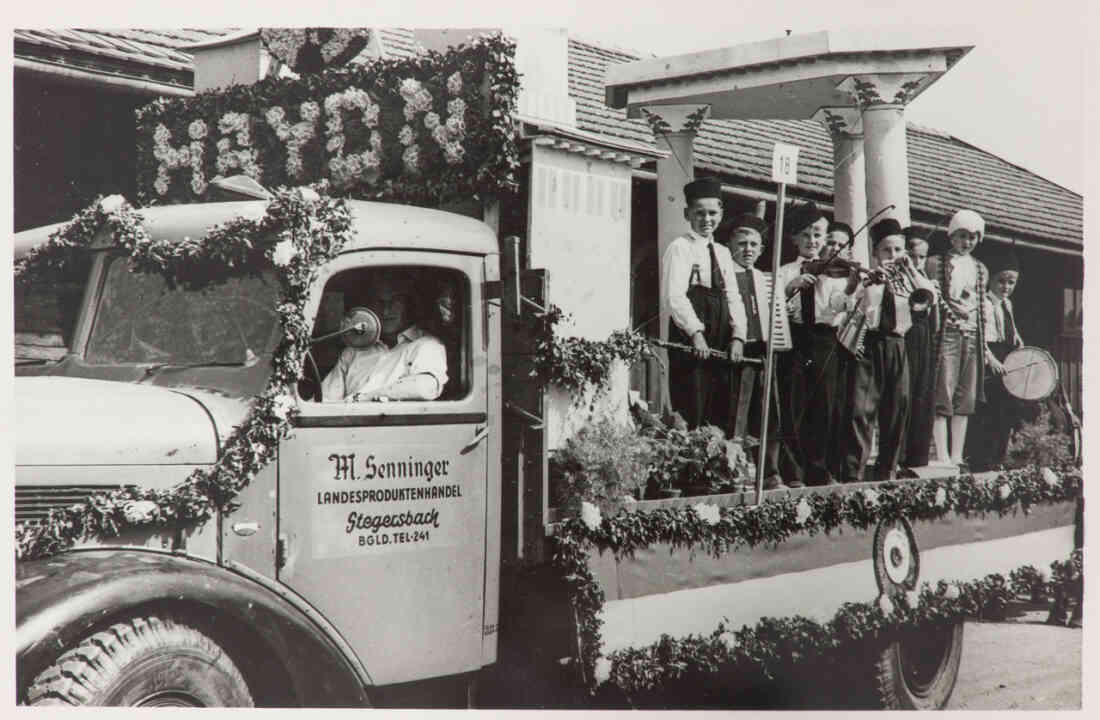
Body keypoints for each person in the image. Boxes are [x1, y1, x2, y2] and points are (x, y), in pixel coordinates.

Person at [842, 219, 937, 483]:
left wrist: (909, 271)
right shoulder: (866, 278)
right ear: (875, 253)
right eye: (886, 250)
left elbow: (929, 297)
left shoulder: (913, 280)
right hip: (870, 345)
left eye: (897, 250)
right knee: (861, 412)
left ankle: (888, 472)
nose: (892, 256)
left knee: (897, 411)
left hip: (897, 345)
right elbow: (847, 306)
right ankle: (854, 476)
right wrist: (869, 283)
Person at [662, 177, 748, 430]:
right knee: (693, 405)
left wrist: (738, 337)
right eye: (700, 213)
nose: (706, 219)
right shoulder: (680, 248)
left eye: (712, 213)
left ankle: (717, 465)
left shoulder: (722, 252)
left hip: (722, 334)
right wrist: (696, 334)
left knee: (720, 407)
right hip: (691, 334)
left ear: (721, 213)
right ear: (687, 214)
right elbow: (675, 297)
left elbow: (733, 296)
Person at [775, 202, 848, 486]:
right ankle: (794, 471)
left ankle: (821, 469)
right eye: (806, 235)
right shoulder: (784, 271)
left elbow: (839, 306)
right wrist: (790, 287)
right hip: (794, 339)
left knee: (824, 404)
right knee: (795, 404)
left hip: (823, 339)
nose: (812, 241)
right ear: (795, 238)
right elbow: (774, 304)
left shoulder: (835, 272)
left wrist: (849, 289)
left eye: (818, 235)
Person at [722, 212, 793, 489]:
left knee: (768, 412)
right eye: (741, 244)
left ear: (761, 249)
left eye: (753, 244)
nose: (747, 250)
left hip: (764, 351)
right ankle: (733, 473)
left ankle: (770, 473)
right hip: (738, 351)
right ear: (730, 246)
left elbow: (775, 316)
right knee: (736, 413)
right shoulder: (726, 276)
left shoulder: (766, 279)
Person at [925, 209, 993, 468]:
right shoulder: (935, 263)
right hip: (946, 332)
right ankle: (941, 455)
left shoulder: (980, 269)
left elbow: (979, 303)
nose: (967, 242)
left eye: (972, 238)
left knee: (966, 395)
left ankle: (956, 455)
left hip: (972, 333)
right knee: (943, 388)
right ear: (952, 236)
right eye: (962, 236)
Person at [322, 272, 449, 402]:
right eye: (379, 302)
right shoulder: (353, 352)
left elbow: (425, 388)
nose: (386, 311)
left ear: (409, 305)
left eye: (396, 301)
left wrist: (364, 398)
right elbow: (324, 400)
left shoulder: (426, 345)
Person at [966, 250, 1024, 471]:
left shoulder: (1007, 305)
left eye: (1011, 282)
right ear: (990, 279)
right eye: (1001, 281)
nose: (1006, 287)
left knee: (1006, 411)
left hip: (1007, 357)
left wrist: (1020, 345)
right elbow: (978, 335)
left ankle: (998, 458)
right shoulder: (982, 303)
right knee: (987, 411)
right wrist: (991, 359)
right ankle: (980, 460)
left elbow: (1014, 333)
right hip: (988, 359)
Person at [901, 228, 938, 468]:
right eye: (913, 255)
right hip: (904, 336)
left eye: (922, 257)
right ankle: (901, 455)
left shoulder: (925, 280)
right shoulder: (900, 276)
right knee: (903, 395)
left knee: (922, 395)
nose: (917, 262)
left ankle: (917, 457)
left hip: (923, 339)